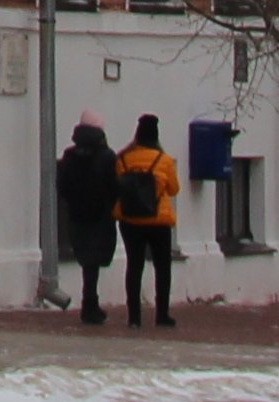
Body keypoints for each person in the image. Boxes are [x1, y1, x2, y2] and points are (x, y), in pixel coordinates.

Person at [114, 114, 185, 327]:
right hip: (158, 221)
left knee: (134, 266)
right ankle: (162, 314)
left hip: (130, 219)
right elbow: (174, 189)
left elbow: (117, 186)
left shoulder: (123, 159)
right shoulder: (164, 161)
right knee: (162, 267)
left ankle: (134, 317)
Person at [55, 117, 120, 325]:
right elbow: (115, 187)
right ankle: (89, 305)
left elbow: (62, 186)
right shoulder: (107, 156)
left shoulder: (69, 155)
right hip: (100, 217)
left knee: (87, 262)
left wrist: (73, 202)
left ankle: (90, 303)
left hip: (77, 216)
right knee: (93, 262)